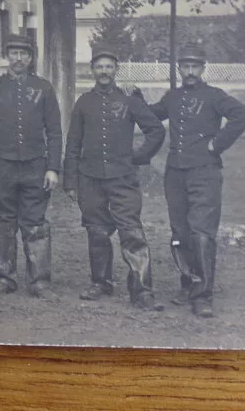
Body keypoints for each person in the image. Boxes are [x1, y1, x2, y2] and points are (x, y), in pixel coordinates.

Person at [147, 42, 245, 318]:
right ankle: (188, 285)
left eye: (195, 66)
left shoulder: (214, 96)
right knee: (180, 233)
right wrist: (132, 99)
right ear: (179, 68)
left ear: (203, 68)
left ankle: (203, 295)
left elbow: (243, 115)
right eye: (186, 66)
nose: (190, 71)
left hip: (204, 172)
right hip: (175, 174)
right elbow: (153, 114)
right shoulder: (173, 96)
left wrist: (217, 144)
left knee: (202, 233)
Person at [63, 45, 166, 311]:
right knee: (96, 231)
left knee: (131, 231)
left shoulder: (130, 99)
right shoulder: (83, 102)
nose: (104, 71)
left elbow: (155, 129)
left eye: (109, 66)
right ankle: (101, 282)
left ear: (116, 70)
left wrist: (139, 156)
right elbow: (73, 144)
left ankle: (142, 289)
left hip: (123, 178)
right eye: (99, 67)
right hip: (91, 178)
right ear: (92, 70)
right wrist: (71, 182)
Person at [0, 34, 62, 298]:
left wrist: (52, 168)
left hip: (35, 167)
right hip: (1, 167)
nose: (18, 58)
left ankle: (39, 281)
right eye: (13, 53)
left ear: (31, 57)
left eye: (24, 53)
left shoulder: (44, 88)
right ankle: (4, 277)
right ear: (6, 56)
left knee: (35, 223)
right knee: (4, 223)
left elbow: (55, 131)